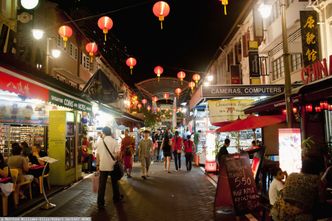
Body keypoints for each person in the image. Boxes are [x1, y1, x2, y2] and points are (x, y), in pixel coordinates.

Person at [96, 126, 122, 209]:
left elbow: (97, 155)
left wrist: (97, 165)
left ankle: (100, 203)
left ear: (103, 133)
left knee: (102, 185)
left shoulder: (100, 142)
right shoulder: (114, 141)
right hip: (112, 166)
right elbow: (117, 154)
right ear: (110, 132)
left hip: (103, 166)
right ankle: (116, 198)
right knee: (115, 183)